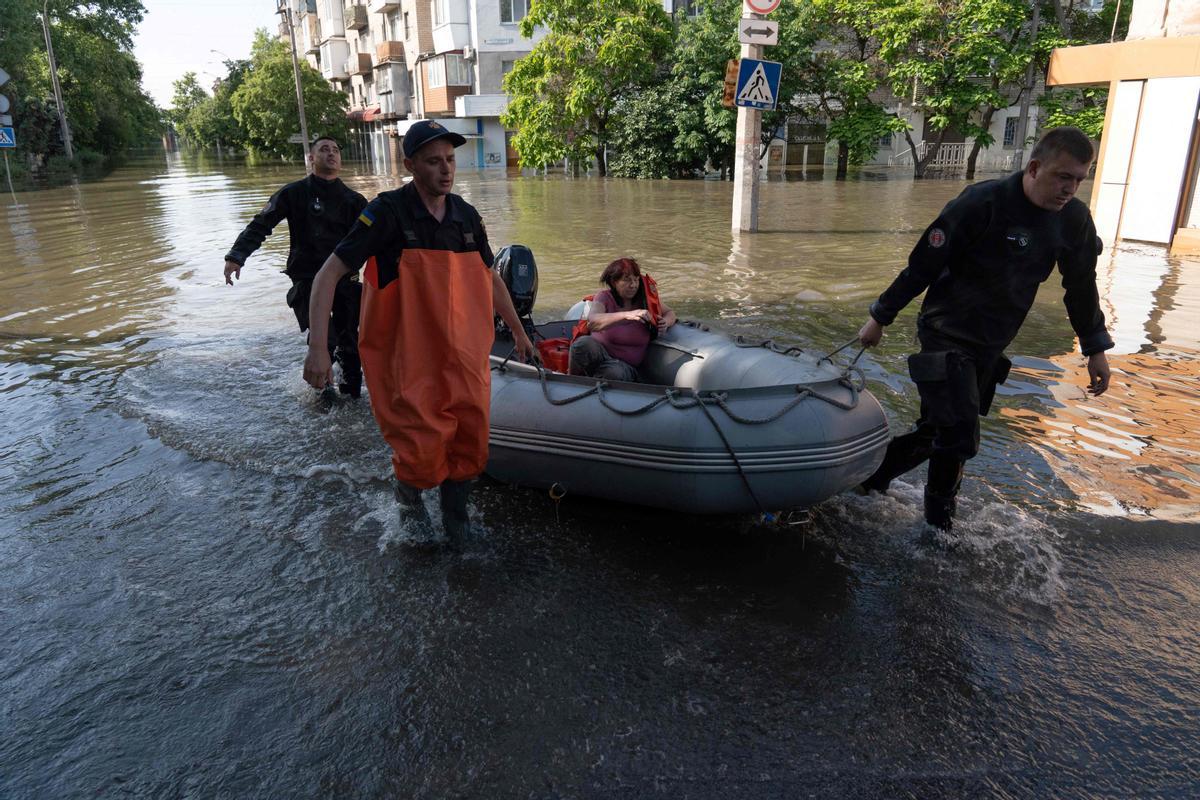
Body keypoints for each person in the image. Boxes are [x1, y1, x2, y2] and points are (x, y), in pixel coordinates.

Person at [857, 126, 1113, 532]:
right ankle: (940, 533)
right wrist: (879, 317)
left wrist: (1095, 348)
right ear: (1034, 168)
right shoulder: (982, 202)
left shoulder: (1074, 220)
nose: (1070, 188)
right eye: (1063, 177)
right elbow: (924, 264)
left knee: (936, 430)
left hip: (991, 342)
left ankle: (867, 482)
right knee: (959, 435)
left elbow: (1081, 287)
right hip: (944, 331)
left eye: (1080, 179)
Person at [301, 120, 535, 549]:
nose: (446, 170)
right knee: (421, 453)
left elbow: (489, 276)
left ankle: (456, 520)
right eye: (433, 162)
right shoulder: (385, 213)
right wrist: (319, 349)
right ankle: (409, 504)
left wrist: (519, 332)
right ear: (409, 164)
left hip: (464, 356)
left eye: (450, 160)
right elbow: (326, 276)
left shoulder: (466, 215)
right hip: (407, 358)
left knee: (469, 444)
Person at [223, 136, 368, 398]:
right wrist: (236, 255)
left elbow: (374, 240)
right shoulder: (293, 193)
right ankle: (325, 400)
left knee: (350, 346)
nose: (331, 154)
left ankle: (353, 401)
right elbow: (261, 224)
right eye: (324, 150)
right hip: (307, 283)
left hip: (345, 284)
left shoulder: (354, 201)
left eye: (336, 150)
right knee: (325, 339)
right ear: (311, 158)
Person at [568, 257, 677, 382]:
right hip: (600, 355)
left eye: (636, 280)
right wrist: (626, 315)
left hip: (626, 367)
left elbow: (670, 312)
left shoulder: (645, 300)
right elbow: (593, 322)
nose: (633, 285)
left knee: (613, 371)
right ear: (614, 282)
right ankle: (571, 382)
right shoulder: (604, 297)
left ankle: (595, 385)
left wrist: (666, 322)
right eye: (627, 280)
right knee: (581, 344)